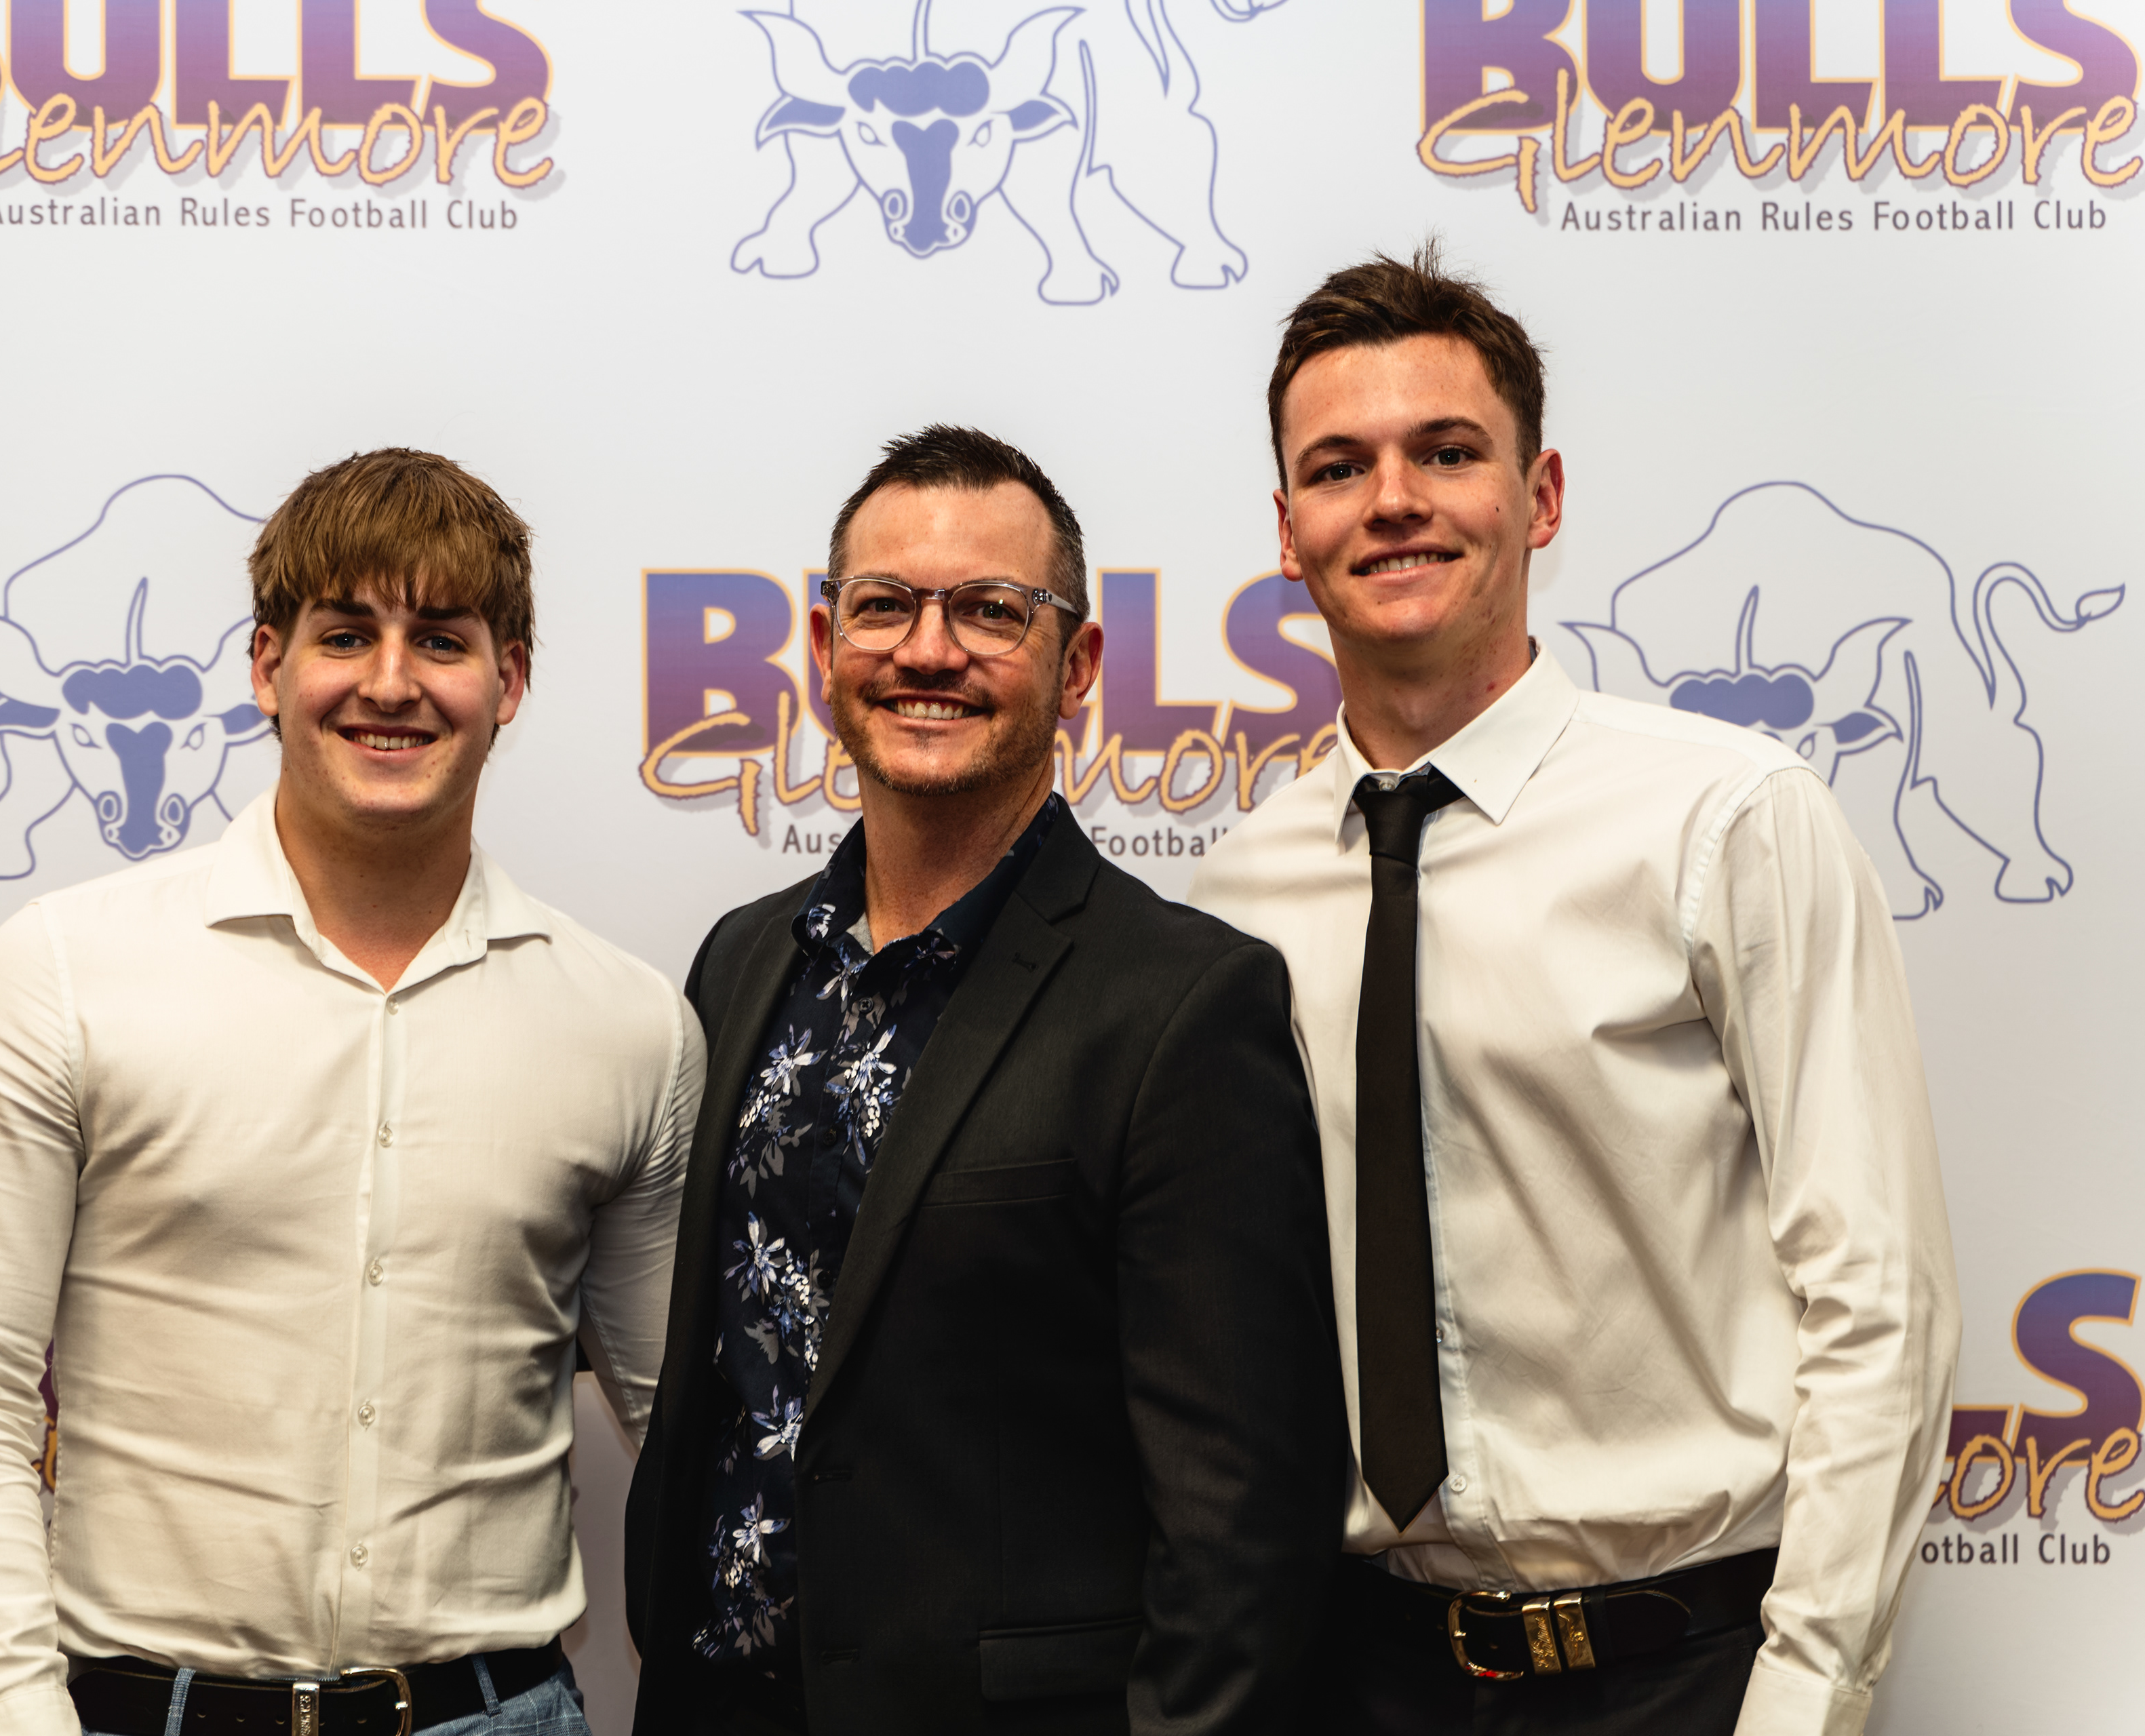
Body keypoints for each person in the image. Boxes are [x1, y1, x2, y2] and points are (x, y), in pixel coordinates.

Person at [1187, 248, 1960, 1735]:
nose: (1393, 499)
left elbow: (1879, 1297)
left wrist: (1804, 1697)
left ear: (1539, 496)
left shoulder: (1727, 819)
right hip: (1357, 1674)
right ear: (1288, 530)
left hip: (1685, 1671)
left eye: (1447, 452)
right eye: (1339, 468)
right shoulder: (1236, 895)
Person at [0, 449, 702, 1736]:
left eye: (442, 639)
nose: (391, 682)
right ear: (268, 667)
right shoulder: (64, 974)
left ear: (510, 681)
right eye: (346, 634)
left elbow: (687, 1432)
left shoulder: (630, 1024)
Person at [623, 426, 1345, 1736]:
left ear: (1080, 665)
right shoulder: (744, 961)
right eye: (884, 606)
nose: (929, 650)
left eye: (991, 611)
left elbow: (1245, 1523)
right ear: (824, 644)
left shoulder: (1184, 1005)